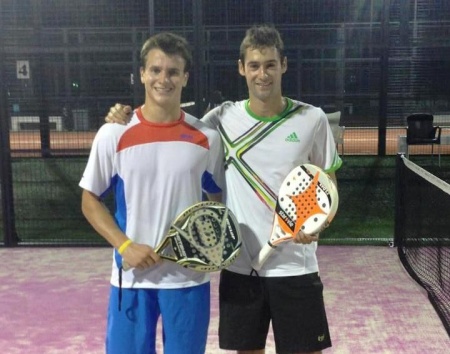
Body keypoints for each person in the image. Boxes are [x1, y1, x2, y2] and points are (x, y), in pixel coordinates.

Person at [105, 24, 342, 354]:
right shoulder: (219, 120)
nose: (263, 74)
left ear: (283, 65)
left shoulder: (311, 119)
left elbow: (327, 181)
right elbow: (171, 122)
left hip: (295, 265)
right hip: (240, 267)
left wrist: (317, 221)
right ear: (242, 68)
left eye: (271, 65)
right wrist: (125, 118)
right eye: (255, 65)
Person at [79, 32, 224, 354]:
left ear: (185, 77)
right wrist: (125, 245)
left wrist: (209, 244)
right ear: (142, 74)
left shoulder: (206, 139)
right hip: (131, 279)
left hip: (188, 281)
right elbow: (90, 200)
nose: (164, 79)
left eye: (173, 72)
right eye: (156, 70)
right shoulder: (113, 134)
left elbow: (216, 200)